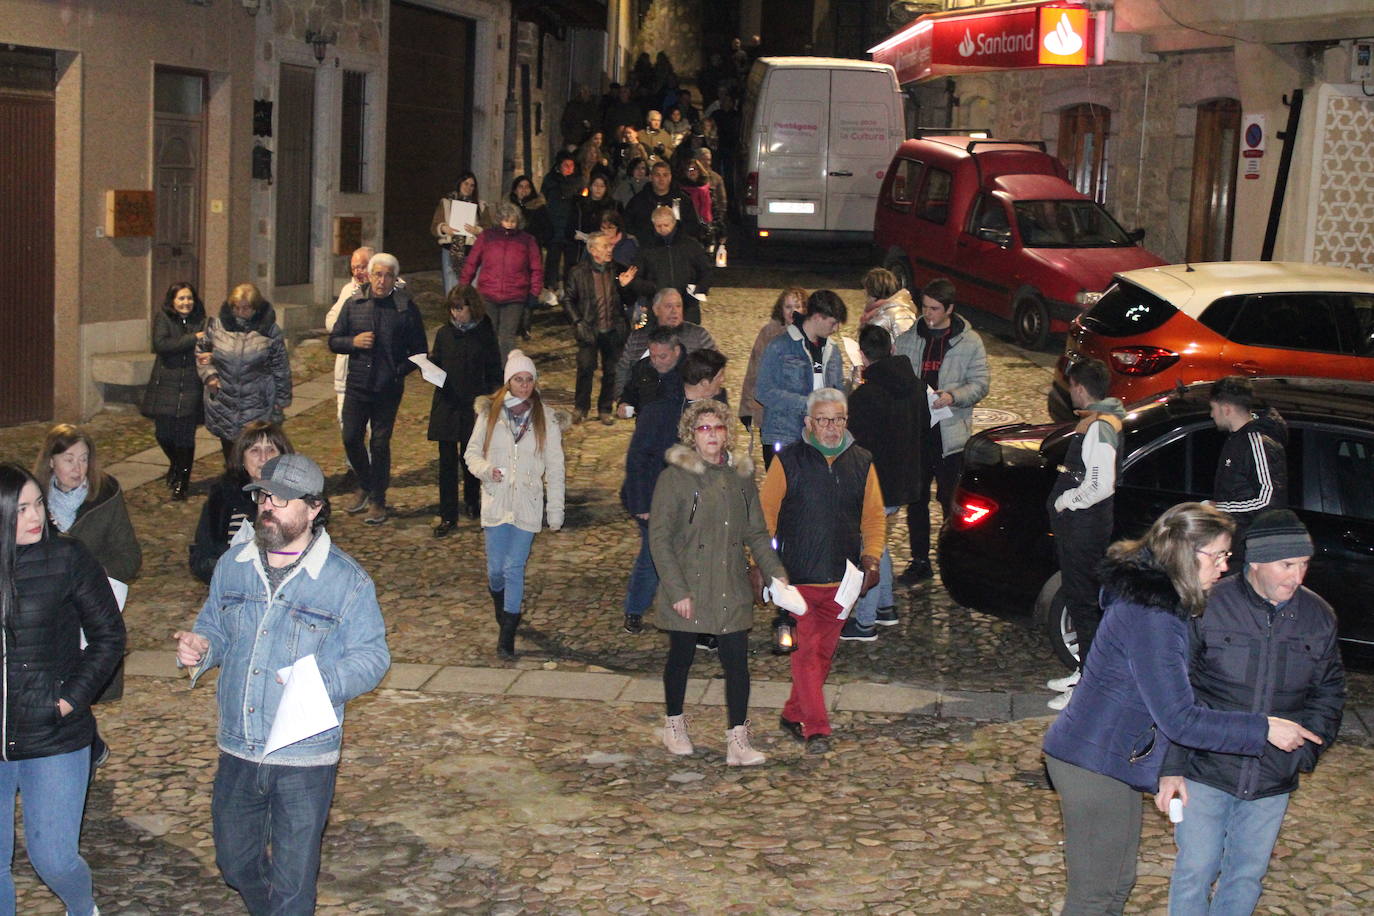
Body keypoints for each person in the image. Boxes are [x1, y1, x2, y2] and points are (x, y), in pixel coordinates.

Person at [1041, 502, 1321, 916]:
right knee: (1094, 897)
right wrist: (1262, 728)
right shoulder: (1152, 616)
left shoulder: (1159, 604)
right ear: (1186, 553)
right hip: (1091, 763)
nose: (1225, 567)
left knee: (1116, 887)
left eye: (1227, 556)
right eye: (1219, 556)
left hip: (1107, 761)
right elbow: (1180, 719)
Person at [174, 454, 390, 915]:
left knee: (294, 885)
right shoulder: (233, 565)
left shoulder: (345, 582)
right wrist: (201, 648)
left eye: (282, 500)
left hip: (305, 754)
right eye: (264, 496)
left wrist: (318, 683)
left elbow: (373, 658)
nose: (267, 507)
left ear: (314, 509)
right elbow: (214, 624)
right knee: (234, 863)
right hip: (239, 746)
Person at [1157, 510, 1344, 916]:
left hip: (1273, 777)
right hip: (1206, 770)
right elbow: (1177, 694)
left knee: (1246, 875)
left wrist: (1303, 752)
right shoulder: (1206, 605)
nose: (1297, 577)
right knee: (1196, 869)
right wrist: (1171, 767)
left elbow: (1329, 693)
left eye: (1304, 565)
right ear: (1256, 562)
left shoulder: (1319, 617)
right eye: (1287, 565)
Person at [0, 463, 126, 916]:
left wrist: (69, 700)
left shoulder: (68, 558)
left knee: (53, 858)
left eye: (38, 504)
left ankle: (82, 907)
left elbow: (110, 636)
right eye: (21, 510)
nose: (35, 517)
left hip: (53, 734)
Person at [650, 399, 786, 765]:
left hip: (728, 584)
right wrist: (677, 590)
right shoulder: (675, 478)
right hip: (689, 585)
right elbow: (659, 538)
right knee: (681, 656)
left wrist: (777, 574)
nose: (712, 435)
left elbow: (756, 531)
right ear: (691, 435)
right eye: (704, 428)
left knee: (737, 663)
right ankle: (674, 723)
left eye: (718, 427)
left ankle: (738, 741)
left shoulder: (739, 477)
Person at [761, 389, 884, 753]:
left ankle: (791, 712)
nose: (831, 428)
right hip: (796, 581)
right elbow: (765, 516)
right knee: (806, 655)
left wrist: (872, 558)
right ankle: (817, 728)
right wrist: (762, 565)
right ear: (809, 423)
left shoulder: (862, 461)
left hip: (842, 581)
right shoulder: (787, 462)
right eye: (824, 420)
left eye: (839, 419)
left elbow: (874, 516)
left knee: (822, 656)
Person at [464, 351, 567, 660]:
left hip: (528, 503)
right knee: (496, 570)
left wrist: (556, 510)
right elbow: (471, 453)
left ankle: (507, 632)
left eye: (529, 380)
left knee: (514, 568)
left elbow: (556, 466)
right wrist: (486, 470)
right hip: (496, 502)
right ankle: (501, 604)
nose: (524, 385)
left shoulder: (545, 418)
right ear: (508, 382)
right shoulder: (490, 414)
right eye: (518, 380)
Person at [621, 348, 728, 634]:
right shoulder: (659, 410)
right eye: (719, 377)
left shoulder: (719, 406)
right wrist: (642, 503)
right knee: (655, 557)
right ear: (704, 382)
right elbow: (638, 458)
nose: (723, 382)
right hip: (658, 499)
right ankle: (635, 608)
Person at [893, 278, 989, 584]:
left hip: (950, 436)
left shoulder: (969, 342)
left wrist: (953, 396)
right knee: (916, 500)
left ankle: (954, 561)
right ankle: (920, 560)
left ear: (949, 309)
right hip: (918, 434)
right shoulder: (911, 337)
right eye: (924, 307)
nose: (927, 314)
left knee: (950, 501)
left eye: (934, 308)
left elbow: (980, 383)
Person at [1045, 357, 1126, 710]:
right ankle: (1084, 671)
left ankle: (1089, 686)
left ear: (1079, 388)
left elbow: (1100, 484)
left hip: (1084, 528)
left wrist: (1065, 501)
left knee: (1084, 603)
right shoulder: (1099, 421)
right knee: (1081, 601)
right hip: (1084, 527)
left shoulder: (1098, 427)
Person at [329, 252, 429, 525]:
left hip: (388, 387)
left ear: (395, 279)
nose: (381, 280)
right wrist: (354, 342)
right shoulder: (354, 303)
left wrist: (398, 371)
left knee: (380, 443)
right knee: (351, 437)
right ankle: (366, 482)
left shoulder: (405, 307)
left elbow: (420, 351)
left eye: (387, 276)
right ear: (369, 276)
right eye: (377, 274)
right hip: (357, 384)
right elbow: (334, 341)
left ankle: (377, 499)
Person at [844, 324, 927, 639]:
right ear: (892, 349)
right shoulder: (916, 386)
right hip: (905, 478)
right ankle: (886, 608)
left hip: (876, 483)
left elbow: (855, 445)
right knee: (879, 544)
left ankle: (865, 622)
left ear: (863, 356)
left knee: (869, 549)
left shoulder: (865, 396)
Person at [427, 285, 503, 537]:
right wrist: (427, 368)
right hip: (447, 405)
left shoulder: (484, 333)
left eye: (460, 308)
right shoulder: (444, 334)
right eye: (453, 309)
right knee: (447, 463)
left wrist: (494, 399)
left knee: (471, 458)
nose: (456, 314)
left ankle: (473, 501)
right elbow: (436, 362)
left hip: (473, 405)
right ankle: (448, 515)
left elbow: (494, 368)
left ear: (472, 307)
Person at [34, 425, 141, 586]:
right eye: (69, 460)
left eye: (83, 459)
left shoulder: (106, 494)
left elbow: (129, 555)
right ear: (51, 461)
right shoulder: (33, 497)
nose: (77, 469)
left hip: (90, 591)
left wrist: (101, 573)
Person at [189, 421, 294, 584]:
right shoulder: (222, 498)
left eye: (271, 450)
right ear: (242, 459)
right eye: (254, 451)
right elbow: (202, 557)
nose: (264, 458)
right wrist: (230, 572)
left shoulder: (299, 497)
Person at [197, 282, 292, 462]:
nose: (240, 312)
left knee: (254, 454)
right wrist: (209, 375)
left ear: (255, 308)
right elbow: (202, 351)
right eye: (236, 308)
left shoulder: (269, 331)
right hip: (225, 400)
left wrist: (282, 400)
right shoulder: (217, 326)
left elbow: (280, 367)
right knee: (230, 455)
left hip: (257, 402)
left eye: (246, 308)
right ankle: (234, 485)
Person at [756, 289, 847, 466]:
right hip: (785, 437)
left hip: (820, 440)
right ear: (818, 317)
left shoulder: (833, 350)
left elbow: (838, 390)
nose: (835, 329)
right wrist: (810, 405)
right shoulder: (780, 346)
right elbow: (763, 391)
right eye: (833, 323)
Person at [1209, 375, 1287, 563]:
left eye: (1213, 409)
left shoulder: (1257, 443)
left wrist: (1219, 508)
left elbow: (1268, 501)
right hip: (1237, 545)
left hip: (1249, 551)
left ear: (1226, 409)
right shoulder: (1238, 439)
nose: (1211, 415)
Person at [140, 281, 207, 500]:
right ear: (172, 301)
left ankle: (182, 483)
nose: (186, 302)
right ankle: (176, 464)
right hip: (166, 384)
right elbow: (162, 345)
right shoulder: (164, 318)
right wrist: (192, 338)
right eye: (181, 298)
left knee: (186, 437)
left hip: (191, 384)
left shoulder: (202, 320)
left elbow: (209, 345)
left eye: (189, 298)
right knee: (163, 433)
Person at [563, 232, 635, 424]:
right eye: (605, 246)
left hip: (613, 328)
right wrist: (577, 321)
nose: (610, 249)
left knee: (611, 371)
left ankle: (605, 408)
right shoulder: (578, 272)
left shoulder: (618, 269)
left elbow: (628, 300)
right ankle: (581, 407)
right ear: (593, 250)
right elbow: (568, 299)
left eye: (610, 246)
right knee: (586, 368)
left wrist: (626, 286)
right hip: (589, 328)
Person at [460, 201, 545, 363]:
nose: (510, 224)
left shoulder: (527, 240)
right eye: (506, 220)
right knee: (487, 335)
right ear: (499, 220)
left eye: (513, 221)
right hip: (487, 295)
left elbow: (536, 268)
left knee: (507, 338)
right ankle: (487, 369)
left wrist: (534, 292)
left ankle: (505, 372)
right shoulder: (487, 237)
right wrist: (464, 286)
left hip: (515, 297)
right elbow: (472, 262)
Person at [613, 288, 717, 411]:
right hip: (649, 408)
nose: (675, 311)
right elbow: (624, 368)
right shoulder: (639, 337)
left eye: (678, 306)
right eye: (668, 306)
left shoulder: (698, 335)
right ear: (656, 310)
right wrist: (623, 399)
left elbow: (715, 368)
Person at [628, 206, 712, 326]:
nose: (662, 229)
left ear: (673, 223)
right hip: (657, 307)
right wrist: (652, 288)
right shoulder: (646, 248)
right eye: (658, 226)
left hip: (687, 306)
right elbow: (636, 276)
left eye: (666, 225)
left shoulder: (690, 245)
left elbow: (706, 271)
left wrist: (698, 290)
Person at [739, 287, 806, 432]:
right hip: (771, 414)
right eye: (788, 307)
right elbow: (753, 370)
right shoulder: (768, 334)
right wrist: (746, 409)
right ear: (781, 309)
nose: (792, 312)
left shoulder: (813, 335)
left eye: (797, 306)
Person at [324, 247, 375, 425]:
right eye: (354, 268)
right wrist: (351, 332)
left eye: (362, 267)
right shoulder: (348, 290)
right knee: (346, 424)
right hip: (346, 372)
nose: (357, 272)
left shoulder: (389, 290)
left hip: (374, 374)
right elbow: (331, 321)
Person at [431, 171, 490, 295]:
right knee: (452, 288)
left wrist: (477, 230)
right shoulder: (446, 203)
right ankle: (454, 312)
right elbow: (434, 226)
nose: (468, 188)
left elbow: (488, 229)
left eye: (472, 185)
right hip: (451, 250)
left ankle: (472, 312)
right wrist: (444, 228)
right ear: (459, 184)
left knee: (472, 288)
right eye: (466, 183)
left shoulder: (482, 206)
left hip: (472, 251)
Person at [624, 160, 703, 245]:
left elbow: (693, 226)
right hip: (648, 248)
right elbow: (628, 225)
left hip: (678, 248)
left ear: (670, 177)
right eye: (657, 175)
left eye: (665, 175)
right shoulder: (638, 200)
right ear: (650, 177)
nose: (661, 179)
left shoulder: (683, 200)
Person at [540, 151, 585, 295]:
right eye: (566, 165)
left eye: (571, 165)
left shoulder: (578, 180)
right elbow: (544, 197)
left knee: (571, 261)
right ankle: (550, 288)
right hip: (554, 225)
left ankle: (568, 288)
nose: (569, 168)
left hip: (570, 225)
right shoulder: (550, 180)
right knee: (553, 259)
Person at [858, 267, 917, 343]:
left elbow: (906, 346)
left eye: (866, 290)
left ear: (873, 291)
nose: (865, 294)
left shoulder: (898, 313)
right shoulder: (878, 311)